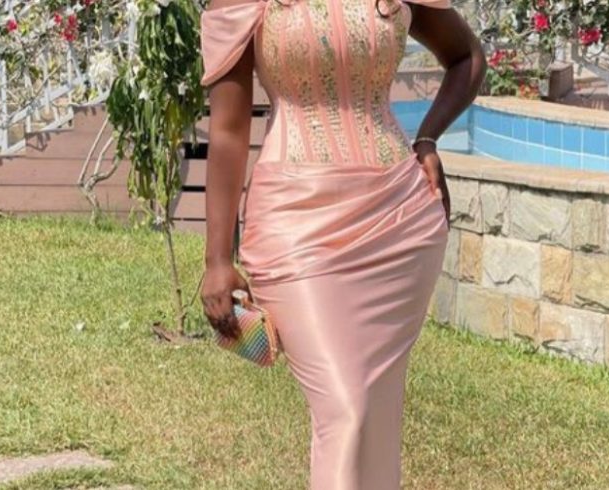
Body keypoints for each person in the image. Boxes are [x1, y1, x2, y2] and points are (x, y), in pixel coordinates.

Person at [198, 0, 486, 488]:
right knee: (346, 408)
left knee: (374, 413)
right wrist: (217, 259)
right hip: (295, 223)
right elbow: (228, 129)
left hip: (399, 220)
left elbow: (467, 57)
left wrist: (428, 138)